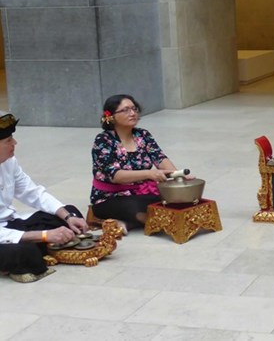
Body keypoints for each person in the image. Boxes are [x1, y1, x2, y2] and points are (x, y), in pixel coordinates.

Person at [0, 111, 89, 283]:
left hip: (12, 223)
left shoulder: (9, 162)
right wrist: (43, 236)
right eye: (8, 141)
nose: (15, 143)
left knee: (70, 212)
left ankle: (38, 250)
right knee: (24, 251)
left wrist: (68, 217)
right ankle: (33, 253)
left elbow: (33, 192)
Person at [91, 94, 182, 233]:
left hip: (141, 192)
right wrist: (149, 173)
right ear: (110, 116)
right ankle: (144, 220)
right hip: (110, 197)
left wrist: (178, 176)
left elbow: (160, 158)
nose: (132, 113)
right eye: (125, 110)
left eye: (134, 109)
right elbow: (116, 175)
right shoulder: (103, 140)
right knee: (135, 207)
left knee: (174, 198)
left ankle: (127, 223)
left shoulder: (143, 135)